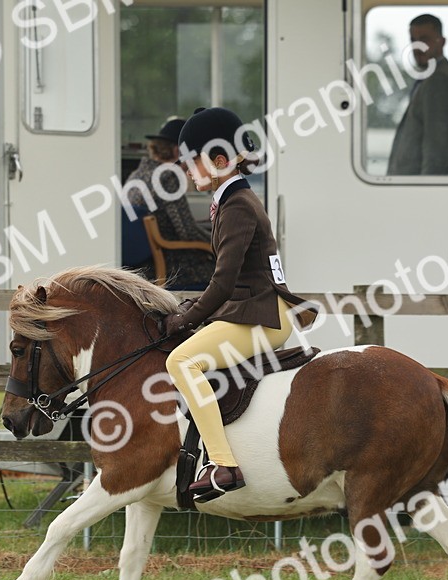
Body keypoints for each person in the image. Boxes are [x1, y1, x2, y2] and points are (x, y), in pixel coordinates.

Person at [163, 107, 317, 500]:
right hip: (253, 309)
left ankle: (223, 464)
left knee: (181, 362)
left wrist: (186, 319)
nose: (186, 172)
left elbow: (223, 282)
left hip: (262, 316)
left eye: (191, 163)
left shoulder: (238, 206)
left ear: (219, 161)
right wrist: (191, 308)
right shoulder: (232, 200)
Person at [124, 117, 215, 289]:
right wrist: (218, 243)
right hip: (172, 268)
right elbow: (187, 231)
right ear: (177, 151)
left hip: (143, 268)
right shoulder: (168, 177)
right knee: (230, 273)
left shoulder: (137, 175)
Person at [387, 13, 448, 176]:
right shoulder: (433, 77)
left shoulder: (439, 81)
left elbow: (437, 147)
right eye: (413, 40)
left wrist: (429, 186)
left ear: (442, 42)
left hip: (426, 184)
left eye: (424, 39)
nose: (417, 47)